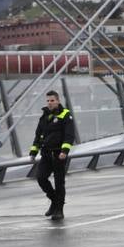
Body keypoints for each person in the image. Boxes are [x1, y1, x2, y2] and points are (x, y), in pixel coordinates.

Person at [29, 90, 76, 220]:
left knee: (59, 182)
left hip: (58, 154)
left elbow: (69, 135)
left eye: (52, 100)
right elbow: (38, 135)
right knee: (41, 178)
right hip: (46, 153)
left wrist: (64, 151)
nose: (49, 103)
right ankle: (54, 201)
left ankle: (59, 210)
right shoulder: (44, 116)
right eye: (48, 101)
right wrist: (33, 151)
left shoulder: (65, 115)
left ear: (58, 101)